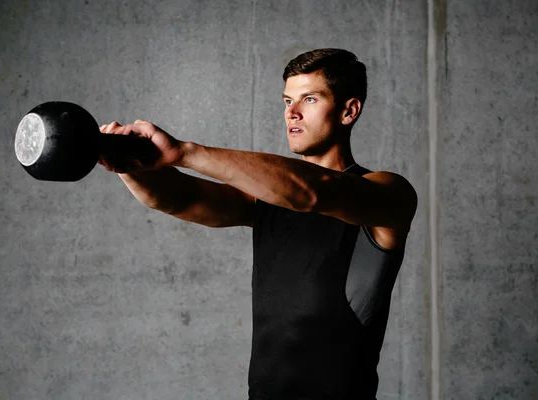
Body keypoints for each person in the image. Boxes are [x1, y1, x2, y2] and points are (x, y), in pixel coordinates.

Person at [98, 48, 417, 400]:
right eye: (286, 100)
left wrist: (184, 152)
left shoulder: (388, 194)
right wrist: (128, 165)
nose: (291, 113)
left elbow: (312, 192)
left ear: (348, 110)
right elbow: (179, 198)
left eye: (309, 99)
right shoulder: (267, 200)